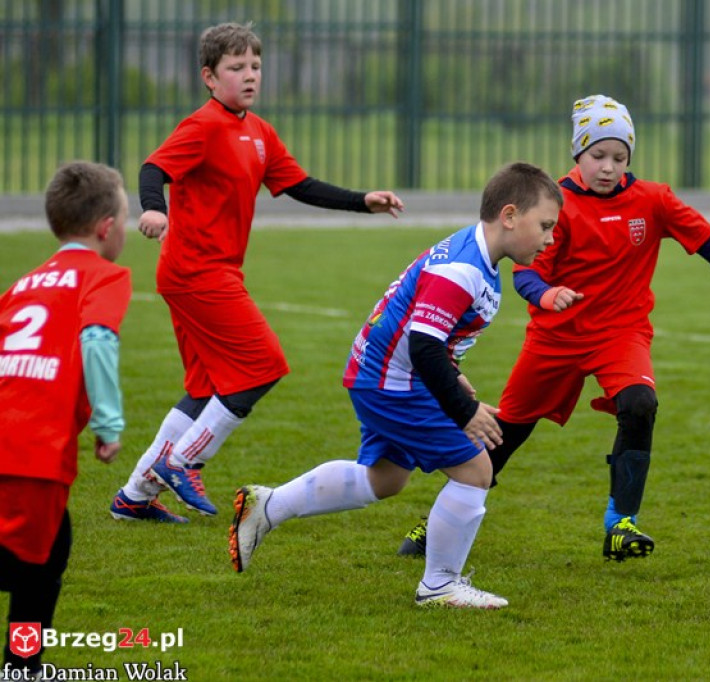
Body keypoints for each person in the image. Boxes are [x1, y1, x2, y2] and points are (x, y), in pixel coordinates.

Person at [397, 94, 710, 561]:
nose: (608, 167)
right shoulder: (555, 203)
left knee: (640, 404)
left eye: (620, 157)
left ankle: (621, 524)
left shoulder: (654, 200)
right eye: (598, 155)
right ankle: (436, 522)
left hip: (621, 334)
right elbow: (527, 274)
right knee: (505, 432)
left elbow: (708, 240)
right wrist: (548, 295)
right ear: (578, 153)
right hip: (555, 339)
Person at [228, 162, 562, 609]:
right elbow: (423, 345)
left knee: (385, 479)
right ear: (509, 215)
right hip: (392, 382)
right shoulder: (462, 269)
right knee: (476, 470)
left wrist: (454, 376)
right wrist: (464, 412)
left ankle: (266, 506)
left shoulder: (477, 256)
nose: (550, 238)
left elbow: (426, 335)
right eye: (544, 225)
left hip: (381, 374)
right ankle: (440, 585)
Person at [109, 22, 405, 523]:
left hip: (211, 273)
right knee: (263, 365)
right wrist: (154, 208)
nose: (249, 76)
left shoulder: (258, 131)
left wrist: (363, 201)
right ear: (209, 76)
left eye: (255, 66)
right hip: (195, 272)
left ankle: (135, 496)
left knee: (204, 389)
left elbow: (300, 184)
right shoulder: (202, 126)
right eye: (236, 67)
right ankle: (184, 461)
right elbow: (153, 169)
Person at [0, 162, 131, 676]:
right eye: (125, 216)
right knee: (34, 571)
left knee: (50, 555)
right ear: (105, 227)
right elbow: (97, 339)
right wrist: (109, 423)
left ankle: (22, 664)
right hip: (32, 453)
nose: (126, 226)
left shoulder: (24, 282)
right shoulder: (105, 275)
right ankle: (22, 666)